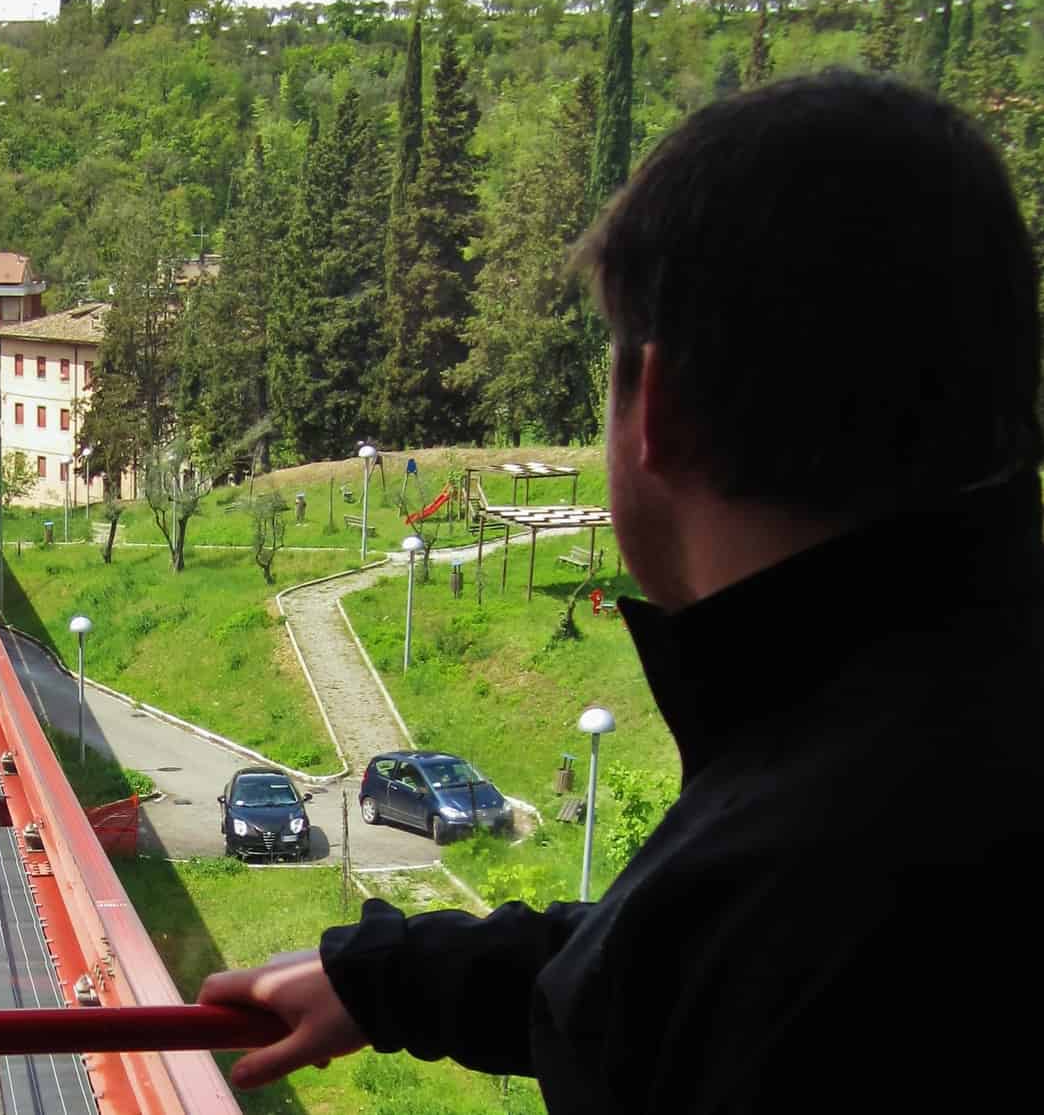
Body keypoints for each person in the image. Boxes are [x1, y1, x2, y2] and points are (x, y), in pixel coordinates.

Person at [198, 70, 1044, 1112]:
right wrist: (396, 980)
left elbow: (706, 964)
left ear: (662, 413)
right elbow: (646, 970)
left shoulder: (793, 875)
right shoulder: (932, 740)